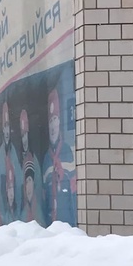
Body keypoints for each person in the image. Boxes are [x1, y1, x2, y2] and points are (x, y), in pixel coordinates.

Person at [42, 87, 76, 226]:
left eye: (55, 119)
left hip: (69, 227)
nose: (53, 126)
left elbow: (74, 194)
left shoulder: (69, 152)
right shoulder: (46, 159)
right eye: (50, 121)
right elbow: (44, 199)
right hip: (51, 227)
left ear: (60, 122)